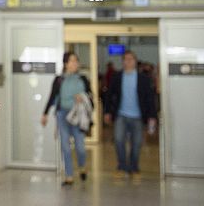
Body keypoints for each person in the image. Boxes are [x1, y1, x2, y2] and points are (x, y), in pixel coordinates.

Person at [104, 50, 158, 180]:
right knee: (118, 140)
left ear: (135, 61)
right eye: (126, 59)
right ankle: (122, 166)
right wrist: (107, 112)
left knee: (137, 143)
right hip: (121, 115)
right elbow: (109, 95)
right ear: (122, 62)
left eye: (131, 59)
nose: (128, 61)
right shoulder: (117, 77)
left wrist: (152, 116)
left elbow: (150, 98)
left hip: (138, 116)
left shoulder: (143, 79)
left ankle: (134, 168)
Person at [41, 52, 92, 185]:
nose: (75, 63)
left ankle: (82, 166)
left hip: (78, 116)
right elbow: (52, 97)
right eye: (71, 61)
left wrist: (83, 97)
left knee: (80, 147)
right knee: (65, 146)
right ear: (65, 63)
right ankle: (69, 175)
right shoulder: (59, 79)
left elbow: (91, 96)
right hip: (62, 115)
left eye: (76, 61)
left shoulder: (83, 79)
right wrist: (45, 113)